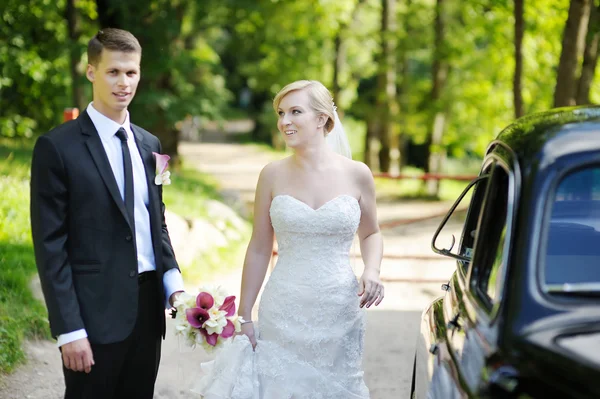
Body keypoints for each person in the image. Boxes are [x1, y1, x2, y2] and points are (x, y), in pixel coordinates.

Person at [194, 80, 384, 398]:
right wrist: (245, 314)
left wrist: (372, 270)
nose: (284, 122)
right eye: (281, 113)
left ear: (322, 118)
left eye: (295, 111)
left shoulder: (358, 174)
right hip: (282, 309)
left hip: (339, 310)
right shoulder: (271, 175)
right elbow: (258, 248)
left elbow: (372, 233)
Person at [30, 28, 185, 399]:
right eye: (113, 72)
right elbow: (50, 247)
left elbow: (156, 221)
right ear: (91, 72)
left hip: (148, 316)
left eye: (131, 73)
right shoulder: (56, 147)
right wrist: (69, 330)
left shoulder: (153, 146)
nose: (123, 82)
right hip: (92, 318)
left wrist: (174, 285)